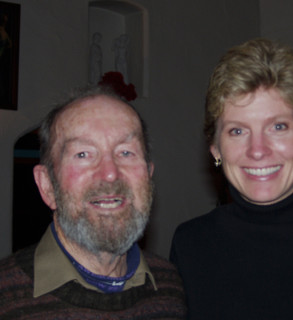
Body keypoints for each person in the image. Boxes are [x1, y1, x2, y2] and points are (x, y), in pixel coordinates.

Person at [170, 38, 293, 319]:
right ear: (215, 147)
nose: (258, 150)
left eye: (278, 126)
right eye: (237, 131)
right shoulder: (191, 245)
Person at [0, 85, 186, 319]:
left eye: (126, 152)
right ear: (47, 185)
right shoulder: (5, 299)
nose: (109, 173)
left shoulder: (171, 286)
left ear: (149, 177)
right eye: (83, 154)